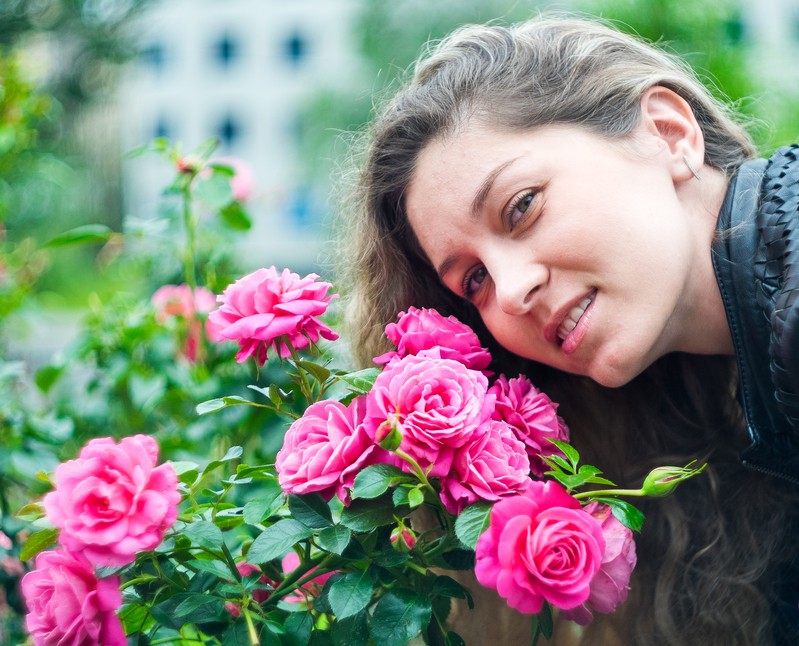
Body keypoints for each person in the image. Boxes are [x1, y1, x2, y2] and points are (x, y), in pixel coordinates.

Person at [336, 13, 799, 646]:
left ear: (668, 132)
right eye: (473, 281)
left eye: (521, 207)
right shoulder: (733, 393)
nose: (513, 291)